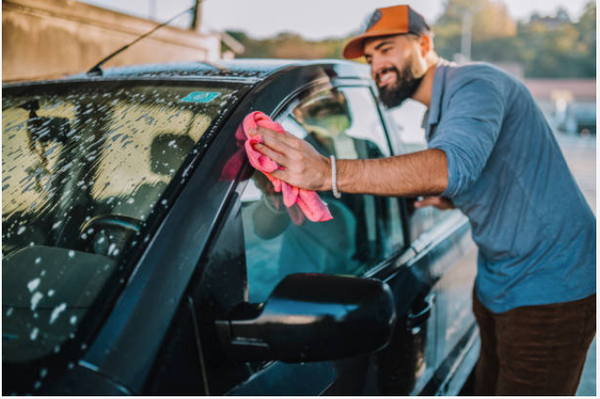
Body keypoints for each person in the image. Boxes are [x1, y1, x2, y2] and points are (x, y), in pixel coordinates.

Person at [251, 4, 596, 396]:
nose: (377, 64)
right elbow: (487, 174)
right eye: (370, 57)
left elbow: (451, 167)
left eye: (386, 48)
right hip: (497, 280)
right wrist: (448, 200)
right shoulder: (441, 114)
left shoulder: (476, 83)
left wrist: (325, 172)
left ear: (425, 43)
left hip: (550, 284)